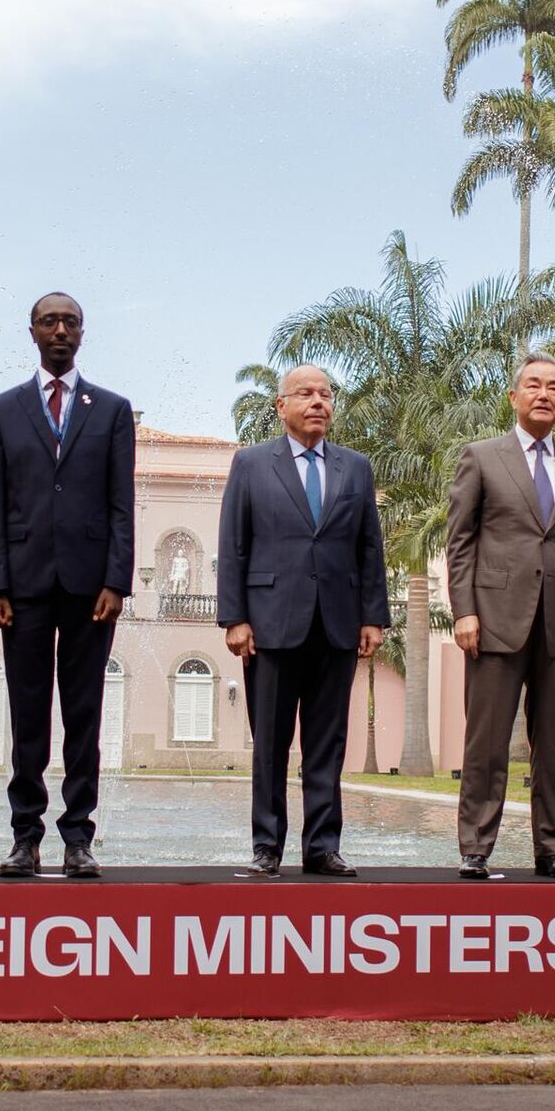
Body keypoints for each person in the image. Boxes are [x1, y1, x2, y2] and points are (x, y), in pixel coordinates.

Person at [0, 291, 134, 878]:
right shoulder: (2, 410)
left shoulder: (111, 410)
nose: (60, 330)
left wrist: (117, 580)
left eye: (70, 321)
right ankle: (25, 836)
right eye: (50, 321)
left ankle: (78, 838)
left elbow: (122, 504)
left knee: (84, 714)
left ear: (83, 332)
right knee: (28, 715)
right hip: (22, 587)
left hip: (91, 589)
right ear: (33, 332)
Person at [217, 365, 387, 877]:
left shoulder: (355, 467)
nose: (318, 402)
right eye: (306, 394)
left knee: (326, 745)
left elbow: (369, 546)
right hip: (270, 626)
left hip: (337, 625)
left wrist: (372, 617)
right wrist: (235, 618)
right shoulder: (250, 464)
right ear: (281, 405)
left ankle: (322, 847)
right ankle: (267, 846)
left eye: (325, 395)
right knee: (270, 744)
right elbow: (233, 543)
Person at [447, 353, 555, 879]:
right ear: (514, 397)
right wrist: (464, 611)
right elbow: (461, 542)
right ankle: (475, 848)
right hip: (493, 621)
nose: (544, 394)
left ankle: (552, 849)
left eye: (554, 387)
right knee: (487, 742)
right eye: (533, 385)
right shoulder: (481, 457)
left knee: (552, 746)